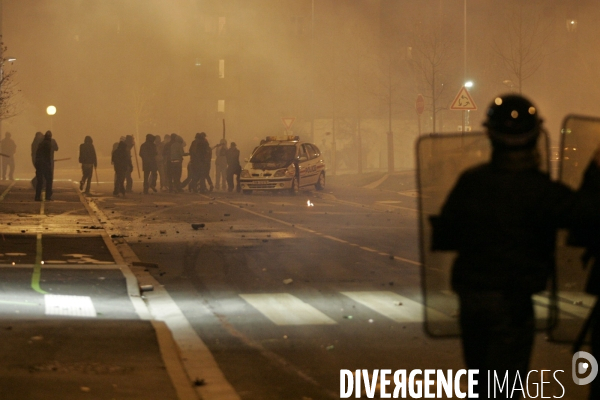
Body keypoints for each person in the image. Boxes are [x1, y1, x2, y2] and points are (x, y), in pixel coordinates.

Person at [430, 94, 600, 398]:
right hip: (513, 305)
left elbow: (445, 236)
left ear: (490, 135)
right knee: (506, 391)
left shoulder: (472, 182)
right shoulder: (541, 190)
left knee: (484, 388)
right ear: (535, 135)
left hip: (473, 302)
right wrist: (596, 171)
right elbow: (588, 214)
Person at [34, 131, 58, 201]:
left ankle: (37, 196)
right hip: (45, 164)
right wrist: (49, 164)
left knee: (40, 181)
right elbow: (47, 155)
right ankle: (48, 196)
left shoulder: (40, 143)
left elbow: (37, 154)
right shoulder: (49, 143)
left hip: (39, 163)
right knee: (49, 180)